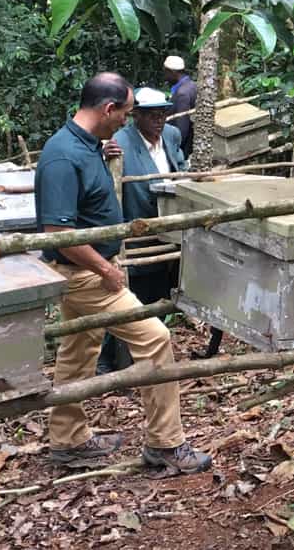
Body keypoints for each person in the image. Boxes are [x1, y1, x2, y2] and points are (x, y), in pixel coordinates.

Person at [34, 72, 211, 474]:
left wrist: (103, 152)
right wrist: (105, 269)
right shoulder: (62, 155)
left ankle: (68, 440)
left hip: (88, 271)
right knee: (157, 338)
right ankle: (166, 444)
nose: (126, 121)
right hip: (86, 275)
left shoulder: (85, 145)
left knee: (77, 354)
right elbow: (59, 233)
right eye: (125, 114)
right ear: (108, 108)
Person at [96, 87, 187, 375]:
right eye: (151, 115)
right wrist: (102, 156)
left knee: (158, 292)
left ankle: (147, 357)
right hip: (136, 229)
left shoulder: (171, 136)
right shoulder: (120, 142)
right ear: (137, 116)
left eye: (162, 114)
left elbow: (181, 167)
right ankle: (108, 362)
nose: (159, 120)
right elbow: (104, 180)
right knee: (130, 298)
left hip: (168, 230)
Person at [163, 56, 197, 158]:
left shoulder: (182, 94)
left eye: (166, 72)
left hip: (183, 149)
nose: (164, 75)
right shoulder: (192, 85)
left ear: (173, 72)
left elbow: (182, 128)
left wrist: (175, 150)